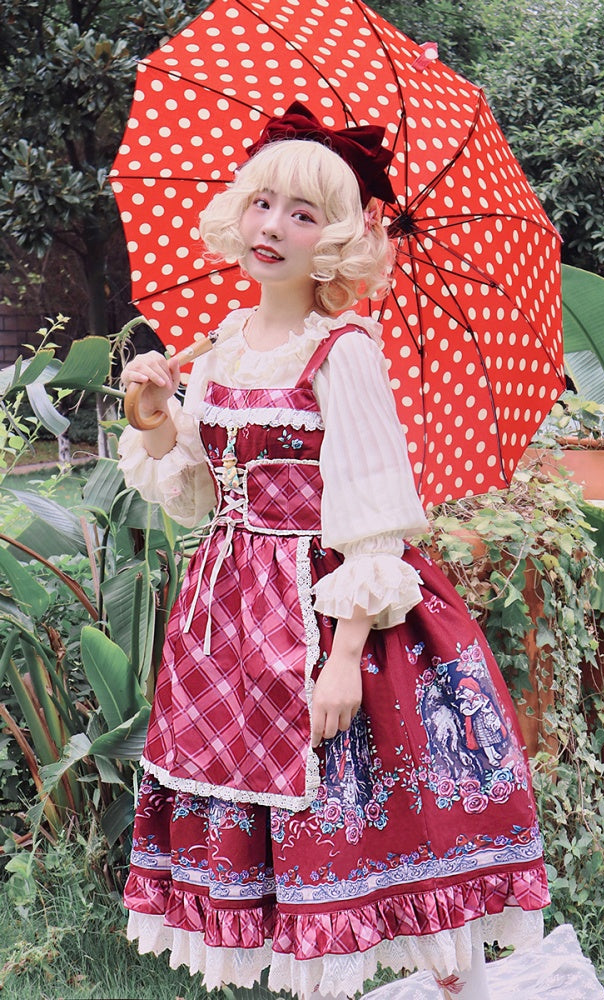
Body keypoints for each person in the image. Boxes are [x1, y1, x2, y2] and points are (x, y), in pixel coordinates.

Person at [118, 102, 549, 1000]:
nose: (274, 226)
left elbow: (372, 509)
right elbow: (198, 489)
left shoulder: (344, 350)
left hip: (332, 608)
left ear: (340, 240)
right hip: (231, 608)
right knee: (253, 812)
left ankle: (434, 982)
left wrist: (346, 657)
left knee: (357, 812)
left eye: (305, 214)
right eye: (264, 203)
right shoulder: (225, 342)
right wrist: (155, 415)